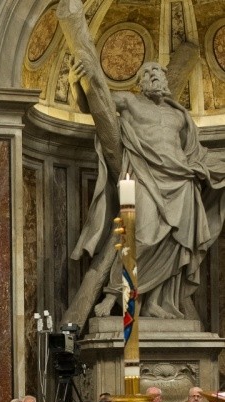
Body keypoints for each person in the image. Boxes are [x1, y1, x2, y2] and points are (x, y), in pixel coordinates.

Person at [61, 3, 225, 324]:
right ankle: (114, 296)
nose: (154, 77)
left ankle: (157, 304)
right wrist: (75, 82)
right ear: (140, 82)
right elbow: (97, 104)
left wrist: (213, 166)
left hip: (181, 186)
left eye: (158, 73)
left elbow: (194, 154)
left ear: (165, 80)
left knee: (177, 247)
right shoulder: (130, 102)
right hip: (146, 177)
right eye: (148, 73)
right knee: (141, 237)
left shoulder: (179, 114)